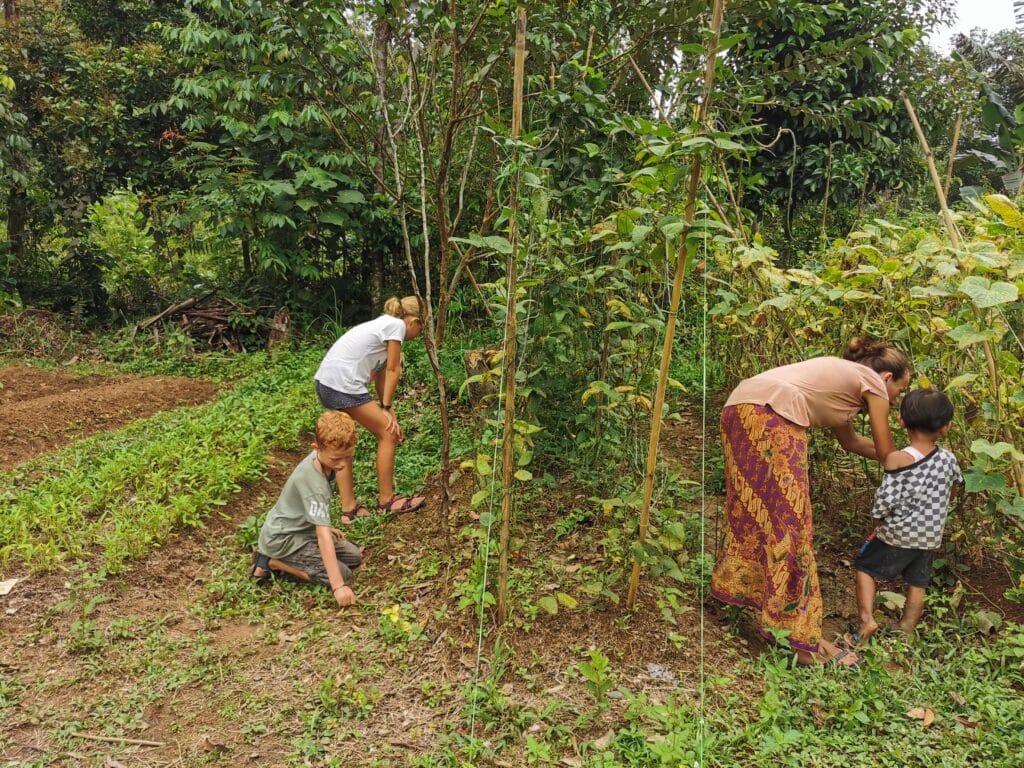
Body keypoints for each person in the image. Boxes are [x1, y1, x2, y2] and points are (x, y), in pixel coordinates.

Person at [711, 338, 913, 667]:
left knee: (756, 513)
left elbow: (852, 443)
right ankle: (803, 641)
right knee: (793, 523)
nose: (895, 399)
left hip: (741, 407)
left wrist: (902, 459)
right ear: (887, 378)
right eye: (900, 392)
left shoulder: (845, 381)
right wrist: (919, 460)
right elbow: (886, 448)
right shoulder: (873, 382)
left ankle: (756, 601)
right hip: (773, 415)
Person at [854, 388, 962, 642]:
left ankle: (866, 620)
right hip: (930, 534)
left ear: (901, 421)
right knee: (918, 581)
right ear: (946, 427)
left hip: (899, 532)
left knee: (864, 567)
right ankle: (907, 629)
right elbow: (957, 486)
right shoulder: (948, 459)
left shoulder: (898, 459)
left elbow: (885, 499)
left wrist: (877, 522)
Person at [314, 296, 426, 523]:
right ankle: (387, 501)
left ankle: (349, 509)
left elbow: (382, 379)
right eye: (421, 327)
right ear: (413, 321)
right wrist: (383, 410)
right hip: (344, 386)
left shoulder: (383, 325)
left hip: (327, 383)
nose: (420, 333)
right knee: (388, 434)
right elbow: (394, 370)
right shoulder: (396, 326)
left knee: (343, 440)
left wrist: (388, 408)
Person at [251, 410, 363, 607]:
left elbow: (318, 524)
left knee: (354, 556)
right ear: (316, 447)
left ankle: (274, 558)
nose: (343, 464)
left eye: (347, 457)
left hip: (301, 529)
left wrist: (325, 527)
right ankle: (271, 561)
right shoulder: (314, 484)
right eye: (336, 459)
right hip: (283, 538)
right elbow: (322, 537)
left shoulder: (324, 459)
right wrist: (338, 587)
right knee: (342, 574)